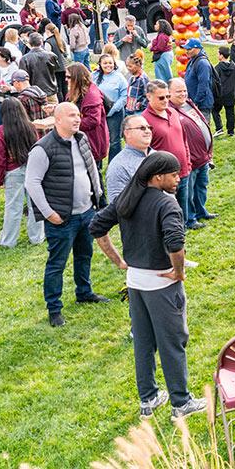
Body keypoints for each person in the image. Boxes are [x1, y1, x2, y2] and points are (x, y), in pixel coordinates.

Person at [90, 152, 207, 420]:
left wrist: (119, 261)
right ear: (157, 177)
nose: (179, 178)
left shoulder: (127, 199)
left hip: (135, 284)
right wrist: (178, 273)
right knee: (172, 343)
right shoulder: (168, 204)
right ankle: (181, 402)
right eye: (174, 174)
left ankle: (149, 399)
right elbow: (176, 244)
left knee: (143, 344)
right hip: (162, 287)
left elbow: (97, 227)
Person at [24, 102, 109, 327]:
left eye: (78, 114)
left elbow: (92, 170)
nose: (77, 119)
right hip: (62, 218)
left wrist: (98, 198)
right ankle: (54, 308)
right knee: (57, 264)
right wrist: (49, 213)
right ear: (57, 119)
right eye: (71, 115)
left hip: (86, 212)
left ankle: (84, 292)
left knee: (85, 255)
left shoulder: (81, 139)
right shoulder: (43, 148)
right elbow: (32, 183)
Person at [142, 80, 195, 228]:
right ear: (149, 97)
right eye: (161, 98)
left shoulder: (172, 112)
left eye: (167, 96)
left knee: (182, 207)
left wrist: (188, 161)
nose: (166, 101)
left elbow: (183, 138)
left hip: (182, 171)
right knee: (168, 210)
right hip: (164, 177)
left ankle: (182, 231)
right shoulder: (144, 120)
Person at [0, 96, 44, 248]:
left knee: (12, 208)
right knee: (35, 205)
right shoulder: (31, 126)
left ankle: (8, 241)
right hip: (31, 168)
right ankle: (37, 237)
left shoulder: (1, 131)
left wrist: (0, 178)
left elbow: (0, 157)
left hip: (12, 171)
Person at [168, 78, 215, 229]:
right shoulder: (170, 111)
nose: (183, 94)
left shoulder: (188, 103)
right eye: (178, 91)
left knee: (201, 186)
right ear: (169, 93)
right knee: (188, 192)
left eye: (184, 90)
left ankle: (201, 211)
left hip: (203, 157)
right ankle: (190, 219)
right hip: (190, 160)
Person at [66, 62, 109, 168]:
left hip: (92, 141)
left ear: (77, 77)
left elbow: (93, 120)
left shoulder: (92, 95)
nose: (66, 79)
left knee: (93, 174)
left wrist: (70, 125)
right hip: (82, 140)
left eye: (68, 77)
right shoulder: (74, 91)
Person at [106, 114, 152, 203]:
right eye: (142, 128)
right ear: (127, 133)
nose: (147, 131)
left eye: (149, 127)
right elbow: (118, 206)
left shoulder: (156, 154)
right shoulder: (118, 167)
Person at [92, 54, 128, 163]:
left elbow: (124, 96)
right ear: (100, 64)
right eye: (105, 63)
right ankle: (98, 164)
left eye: (110, 63)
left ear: (114, 64)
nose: (108, 65)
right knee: (99, 139)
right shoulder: (94, 76)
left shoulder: (119, 77)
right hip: (98, 113)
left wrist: (111, 111)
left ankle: (114, 163)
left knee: (114, 141)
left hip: (114, 113)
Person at [18, 32, 60, 105]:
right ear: (41, 42)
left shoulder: (25, 59)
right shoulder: (51, 55)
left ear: (30, 43)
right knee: (54, 114)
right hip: (50, 91)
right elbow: (56, 69)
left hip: (34, 94)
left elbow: (23, 77)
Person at [181, 39, 214, 127]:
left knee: (202, 131)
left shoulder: (202, 63)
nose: (186, 51)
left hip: (201, 105)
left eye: (189, 49)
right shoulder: (192, 60)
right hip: (193, 103)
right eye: (186, 49)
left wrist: (196, 102)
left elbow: (203, 85)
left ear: (197, 49)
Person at [212, 46, 235, 137]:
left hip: (219, 95)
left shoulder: (217, 68)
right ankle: (231, 131)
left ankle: (219, 128)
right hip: (231, 95)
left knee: (215, 110)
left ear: (221, 55)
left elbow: (214, 83)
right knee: (230, 113)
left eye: (218, 53)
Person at [43, 23, 68, 102]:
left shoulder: (48, 42)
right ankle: (68, 101)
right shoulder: (60, 39)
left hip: (55, 68)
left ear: (47, 31)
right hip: (64, 66)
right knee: (65, 87)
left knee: (59, 88)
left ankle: (61, 103)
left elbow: (47, 56)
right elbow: (66, 54)